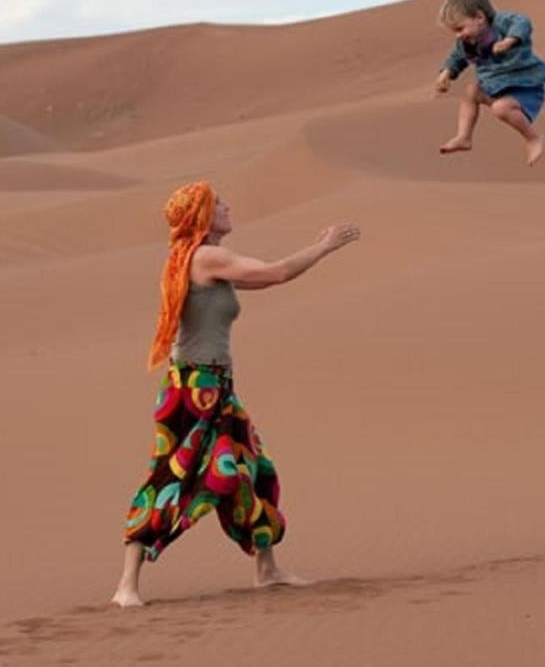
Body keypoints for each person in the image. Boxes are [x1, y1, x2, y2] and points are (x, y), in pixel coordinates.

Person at [111, 181, 359, 607]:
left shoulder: (199, 260)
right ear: (204, 217)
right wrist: (324, 247)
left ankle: (267, 569)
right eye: (219, 203)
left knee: (252, 467)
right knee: (172, 478)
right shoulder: (207, 257)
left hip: (214, 387)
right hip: (193, 390)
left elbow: (263, 280)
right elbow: (275, 272)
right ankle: (126, 586)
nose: (227, 207)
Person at [435, 0, 545, 166]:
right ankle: (464, 137)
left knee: (501, 108)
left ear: (480, 17)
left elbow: (522, 22)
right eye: (455, 32)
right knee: (471, 91)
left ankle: (533, 138)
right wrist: (446, 73)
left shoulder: (501, 23)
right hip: (496, 88)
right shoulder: (466, 44)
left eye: (460, 28)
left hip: (525, 87)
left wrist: (509, 40)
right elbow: (457, 58)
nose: (458, 36)